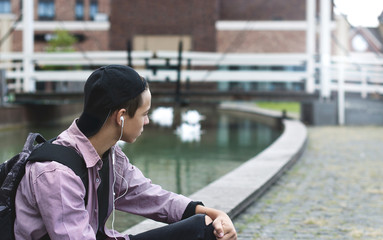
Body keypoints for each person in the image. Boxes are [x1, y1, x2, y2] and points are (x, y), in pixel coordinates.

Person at [14, 65, 237, 240]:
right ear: (121, 116)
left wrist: (212, 214)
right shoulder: (56, 173)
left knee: (204, 228)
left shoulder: (108, 155)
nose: (147, 121)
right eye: (144, 113)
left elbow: (150, 197)